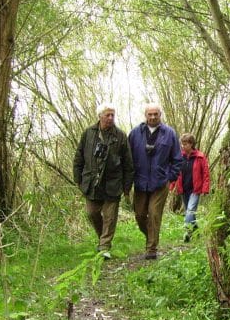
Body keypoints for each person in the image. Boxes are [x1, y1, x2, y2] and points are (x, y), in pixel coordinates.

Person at [73, 103, 134, 258]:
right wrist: (78, 179)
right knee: (91, 213)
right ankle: (103, 239)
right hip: (91, 183)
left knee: (110, 216)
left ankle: (104, 246)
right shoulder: (88, 133)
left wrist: (126, 188)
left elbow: (128, 163)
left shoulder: (120, 136)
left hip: (113, 184)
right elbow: (79, 157)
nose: (111, 118)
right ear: (100, 116)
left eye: (113, 115)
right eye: (107, 115)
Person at [129, 103, 183, 259]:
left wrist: (170, 177)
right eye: (150, 114)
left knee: (154, 214)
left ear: (160, 115)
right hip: (140, 182)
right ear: (145, 115)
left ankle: (151, 249)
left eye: (156, 114)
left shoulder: (170, 133)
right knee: (140, 215)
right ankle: (151, 236)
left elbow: (177, 159)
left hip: (160, 183)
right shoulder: (135, 133)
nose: (153, 117)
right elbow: (127, 158)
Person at [171, 133, 210, 242]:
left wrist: (205, 188)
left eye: (185, 144)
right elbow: (175, 172)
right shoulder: (179, 157)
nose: (183, 146)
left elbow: (206, 173)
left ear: (191, 144)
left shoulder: (200, 157)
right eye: (182, 144)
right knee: (191, 213)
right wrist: (172, 185)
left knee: (189, 211)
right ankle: (197, 233)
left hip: (195, 190)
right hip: (183, 189)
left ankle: (187, 233)